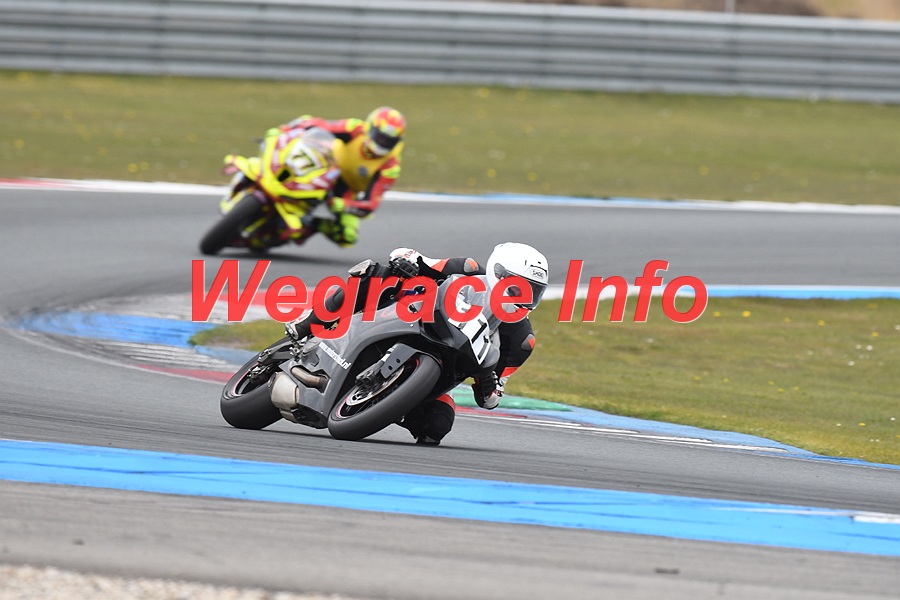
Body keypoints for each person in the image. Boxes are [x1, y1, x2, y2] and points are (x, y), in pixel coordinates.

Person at [286, 242, 549, 445]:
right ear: (497, 273)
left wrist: (489, 384)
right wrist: (407, 263)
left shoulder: (521, 341)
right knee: (378, 274)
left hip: (441, 371)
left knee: (437, 427)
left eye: (533, 292)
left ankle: (387, 404)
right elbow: (410, 255)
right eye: (518, 288)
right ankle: (308, 322)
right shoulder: (466, 269)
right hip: (407, 317)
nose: (524, 298)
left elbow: (491, 398)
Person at [271, 106, 406, 247]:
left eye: (389, 141)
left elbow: (370, 204)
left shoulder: (390, 167)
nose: (382, 143)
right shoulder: (354, 128)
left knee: (348, 236)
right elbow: (318, 125)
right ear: (370, 128)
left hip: (346, 191)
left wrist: (345, 205)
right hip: (325, 167)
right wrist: (285, 130)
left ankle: (313, 226)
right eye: (380, 137)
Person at [222, 126, 342, 245]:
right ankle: (232, 195)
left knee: (300, 226)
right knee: (251, 164)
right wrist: (275, 135)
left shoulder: (330, 170)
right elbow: (282, 135)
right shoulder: (301, 139)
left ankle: (264, 237)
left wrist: (334, 201)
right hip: (273, 175)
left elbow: (327, 192)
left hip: (294, 200)